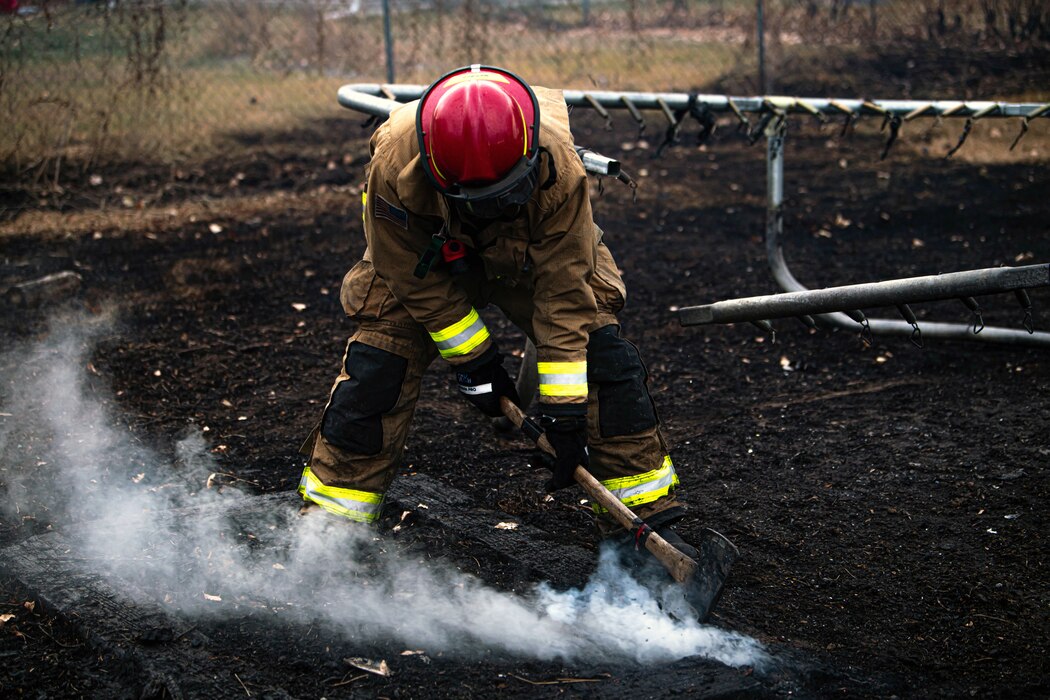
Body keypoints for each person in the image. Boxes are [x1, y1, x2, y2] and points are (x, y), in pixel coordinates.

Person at [298, 65, 694, 560]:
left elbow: (565, 294)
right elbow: (401, 267)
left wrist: (565, 414)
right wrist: (475, 360)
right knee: (381, 366)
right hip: (426, 258)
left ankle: (646, 520)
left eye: (505, 194)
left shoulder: (558, 167)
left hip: (530, 253)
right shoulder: (394, 163)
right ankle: (331, 530)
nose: (494, 207)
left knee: (602, 360)